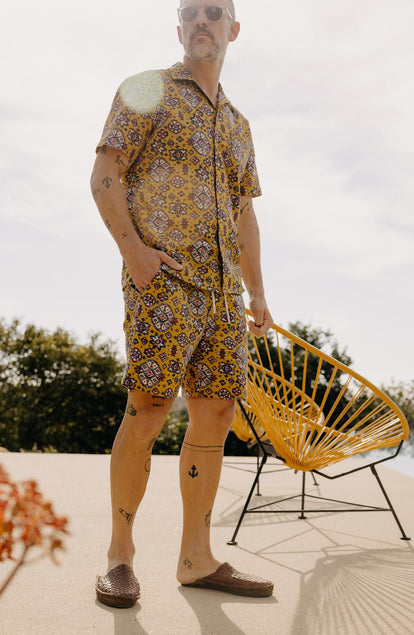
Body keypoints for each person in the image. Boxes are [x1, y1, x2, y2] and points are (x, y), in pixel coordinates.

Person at [90, 0, 274, 607]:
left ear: (233, 30)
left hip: (224, 298)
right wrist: (136, 255)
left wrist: (257, 293)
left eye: (214, 12)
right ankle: (120, 555)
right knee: (147, 409)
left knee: (216, 416)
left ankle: (196, 558)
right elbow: (105, 173)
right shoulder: (147, 90)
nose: (202, 21)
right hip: (163, 282)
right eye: (190, 11)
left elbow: (244, 214)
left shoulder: (239, 124)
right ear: (178, 28)